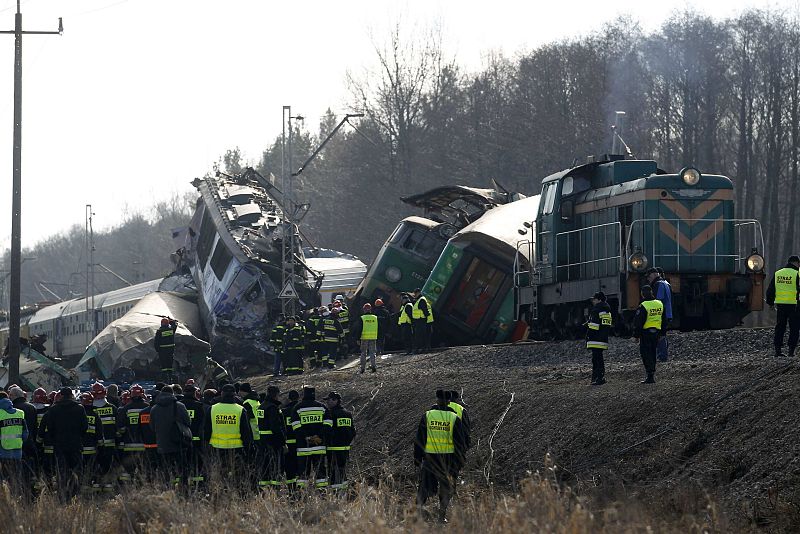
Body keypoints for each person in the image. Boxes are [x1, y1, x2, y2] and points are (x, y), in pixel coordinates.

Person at [414, 390, 466, 523]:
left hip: (430, 458)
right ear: (449, 401)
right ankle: (441, 517)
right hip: (447, 460)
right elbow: (459, 443)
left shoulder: (427, 416)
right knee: (446, 488)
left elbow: (420, 438)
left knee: (424, 486)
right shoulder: (454, 418)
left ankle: (418, 514)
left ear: (436, 400)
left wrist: (417, 458)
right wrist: (460, 460)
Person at [40, 387, 87, 501]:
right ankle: (75, 495)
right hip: (75, 445)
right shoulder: (79, 409)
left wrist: (55, 438)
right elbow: (84, 427)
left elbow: (49, 428)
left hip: (59, 446)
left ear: (60, 395)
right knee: (76, 471)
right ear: (71, 395)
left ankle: (63, 497)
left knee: (62, 472)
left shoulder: (54, 409)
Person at [205, 383, 251, 480]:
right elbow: (245, 431)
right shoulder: (241, 410)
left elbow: (207, 430)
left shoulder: (212, 409)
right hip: (236, 448)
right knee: (237, 476)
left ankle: (221, 493)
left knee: (220, 475)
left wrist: (206, 446)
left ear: (222, 394)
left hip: (217, 448)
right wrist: (248, 448)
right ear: (235, 394)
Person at [290, 385, 331, 489]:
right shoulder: (322, 407)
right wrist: (318, 436)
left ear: (304, 394)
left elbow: (296, 426)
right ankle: (322, 494)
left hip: (304, 447)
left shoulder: (297, 408)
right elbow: (328, 424)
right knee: (321, 473)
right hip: (319, 445)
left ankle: (301, 496)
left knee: (303, 474)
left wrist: (307, 438)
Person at [149, 385, 191, 486]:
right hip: (178, 443)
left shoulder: (154, 409)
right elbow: (188, 422)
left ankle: (166, 491)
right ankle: (183, 490)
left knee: (165, 471)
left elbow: (152, 427)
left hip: (162, 445)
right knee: (182, 470)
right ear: (173, 394)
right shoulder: (180, 406)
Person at [766, 255, 800, 357]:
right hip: (794, 305)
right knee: (794, 328)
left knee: (780, 327)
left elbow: (770, 290)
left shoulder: (778, 273)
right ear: (797, 263)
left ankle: (778, 350)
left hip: (780, 305)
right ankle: (791, 351)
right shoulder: (798, 273)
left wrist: (770, 303)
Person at [116, 384, 149, 483]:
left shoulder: (126, 408)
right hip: (144, 445)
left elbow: (120, 428)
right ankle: (141, 488)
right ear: (142, 394)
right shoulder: (148, 408)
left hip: (129, 445)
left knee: (128, 471)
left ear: (131, 395)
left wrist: (124, 434)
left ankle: (127, 489)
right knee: (143, 469)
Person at [323, 391, 355, 491]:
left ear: (336, 400)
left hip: (333, 448)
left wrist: (325, 442)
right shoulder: (347, 413)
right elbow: (353, 431)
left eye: (329, 400)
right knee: (342, 470)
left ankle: (335, 493)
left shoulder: (330, 413)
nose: (327, 402)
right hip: (345, 449)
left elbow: (326, 430)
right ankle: (344, 491)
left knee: (333, 471)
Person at [632, 286, 664, 384]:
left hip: (646, 333)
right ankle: (652, 373)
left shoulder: (643, 305)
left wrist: (636, 336)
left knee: (646, 353)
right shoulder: (660, 304)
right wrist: (663, 333)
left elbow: (638, 322)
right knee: (653, 352)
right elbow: (664, 320)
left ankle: (649, 375)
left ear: (642, 293)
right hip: (657, 333)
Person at [89, 382, 117, 492]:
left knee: (95, 466)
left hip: (94, 445)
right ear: (105, 393)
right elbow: (117, 428)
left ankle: (96, 485)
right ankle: (107, 487)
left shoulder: (89, 409)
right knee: (108, 466)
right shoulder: (112, 408)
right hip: (110, 444)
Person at [257, 385, 286, 489]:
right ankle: (275, 489)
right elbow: (276, 427)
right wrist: (283, 442)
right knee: (275, 465)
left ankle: (263, 489)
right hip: (273, 442)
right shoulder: (272, 408)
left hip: (263, 441)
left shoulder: (261, 406)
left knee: (265, 466)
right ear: (276, 395)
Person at [0, 390, 29, 494]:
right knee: (16, 479)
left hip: (3, 453)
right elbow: (25, 434)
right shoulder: (20, 413)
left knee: (4, 481)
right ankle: (16, 500)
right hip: (17, 453)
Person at [179, 383, 208, 486]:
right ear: (195, 393)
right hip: (197, 441)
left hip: (182, 440)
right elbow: (203, 424)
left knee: (183, 464)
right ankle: (199, 486)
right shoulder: (199, 406)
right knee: (198, 465)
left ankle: (184, 485)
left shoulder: (179, 405)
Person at [586, 291, 613, 385]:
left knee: (596, 359)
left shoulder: (596, 310)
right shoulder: (606, 310)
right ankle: (598, 377)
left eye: (594, 299)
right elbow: (606, 324)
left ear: (599, 299)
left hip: (595, 339)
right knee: (599, 358)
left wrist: (588, 334)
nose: (593, 301)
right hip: (603, 338)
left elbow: (594, 326)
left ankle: (598, 378)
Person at [647, 268, 673, 362]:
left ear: (654, 275)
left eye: (649, 277)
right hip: (668, 313)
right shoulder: (666, 283)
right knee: (663, 334)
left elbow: (658, 300)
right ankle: (663, 354)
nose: (649, 280)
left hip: (661, 314)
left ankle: (662, 356)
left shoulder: (658, 285)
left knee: (660, 335)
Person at [352, 303, 379, 374]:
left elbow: (359, 329)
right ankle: (373, 367)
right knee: (372, 353)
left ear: (364, 310)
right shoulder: (375, 318)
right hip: (373, 337)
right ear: (370, 309)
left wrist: (357, 338)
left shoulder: (362, 318)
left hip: (364, 338)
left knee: (363, 353)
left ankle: (362, 369)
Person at [282, 389, 300, 490]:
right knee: (300, 468)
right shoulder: (300, 410)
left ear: (289, 399)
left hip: (288, 444)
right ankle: (301, 490)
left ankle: (291, 490)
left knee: (289, 469)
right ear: (298, 398)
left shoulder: (284, 411)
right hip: (300, 443)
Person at [154, 317, 178, 381]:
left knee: (163, 365)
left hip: (162, 351)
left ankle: (165, 378)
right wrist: (170, 321)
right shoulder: (171, 330)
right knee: (170, 364)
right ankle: (170, 378)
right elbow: (175, 324)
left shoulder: (159, 331)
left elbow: (156, 342)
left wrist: (157, 350)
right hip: (170, 350)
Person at [412, 288, 434, 353]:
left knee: (420, 335)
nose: (414, 295)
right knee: (425, 335)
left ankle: (421, 348)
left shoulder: (421, 300)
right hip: (423, 320)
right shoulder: (420, 300)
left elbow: (425, 310)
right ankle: (425, 348)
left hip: (421, 320)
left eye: (415, 293)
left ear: (418, 292)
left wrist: (425, 317)